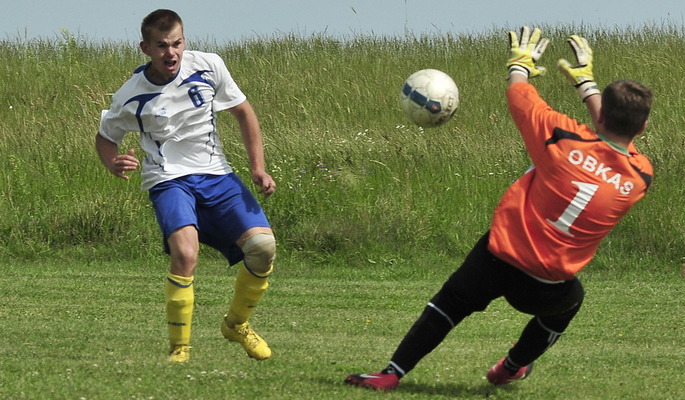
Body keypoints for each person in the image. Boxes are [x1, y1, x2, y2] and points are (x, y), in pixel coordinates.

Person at [345, 26, 653, 391]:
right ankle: (511, 367)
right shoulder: (639, 177)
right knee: (572, 303)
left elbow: (518, 92)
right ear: (644, 126)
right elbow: (612, 135)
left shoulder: (559, 138)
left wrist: (521, 64)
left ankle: (391, 373)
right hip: (546, 286)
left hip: (499, 256)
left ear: (602, 117)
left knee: (450, 303)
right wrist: (588, 87)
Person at [96, 9, 278, 363]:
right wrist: (112, 161)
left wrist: (258, 168)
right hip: (168, 180)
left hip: (217, 175)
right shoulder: (131, 95)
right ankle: (180, 349)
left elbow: (244, 113)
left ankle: (236, 324)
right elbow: (105, 138)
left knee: (263, 247)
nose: (171, 53)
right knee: (185, 254)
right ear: (145, 48)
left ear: (185, 41)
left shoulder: (209, 66)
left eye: (177, 43)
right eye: (162, 46)